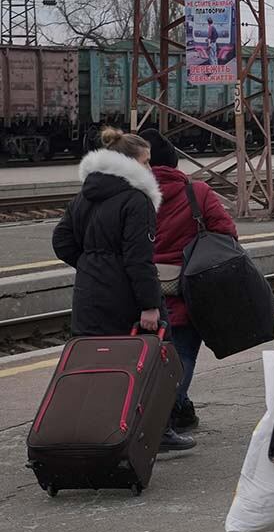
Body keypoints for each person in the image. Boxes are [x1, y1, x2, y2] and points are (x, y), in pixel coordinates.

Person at [52, 127, 193, 452]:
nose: (148, 169)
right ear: (128, 163)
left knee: (95, 369)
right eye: (144, 162)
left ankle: (92, 431)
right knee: (153, 363)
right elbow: (139, 259)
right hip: (127, 298)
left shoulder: (84, 195)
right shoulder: (136, 199)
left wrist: (92, 266)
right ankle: (160, 431)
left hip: (88, 297)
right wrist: (149, 306)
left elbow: (61, 241)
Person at [142, 129, 238, 434]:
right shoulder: (196, 192)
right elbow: (227, 235)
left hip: (139, 288)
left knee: (143, 357)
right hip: (187, 289)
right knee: (181, 354)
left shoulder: (131, 193)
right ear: (174, 163)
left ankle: (174, 411)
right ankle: (167, 417)